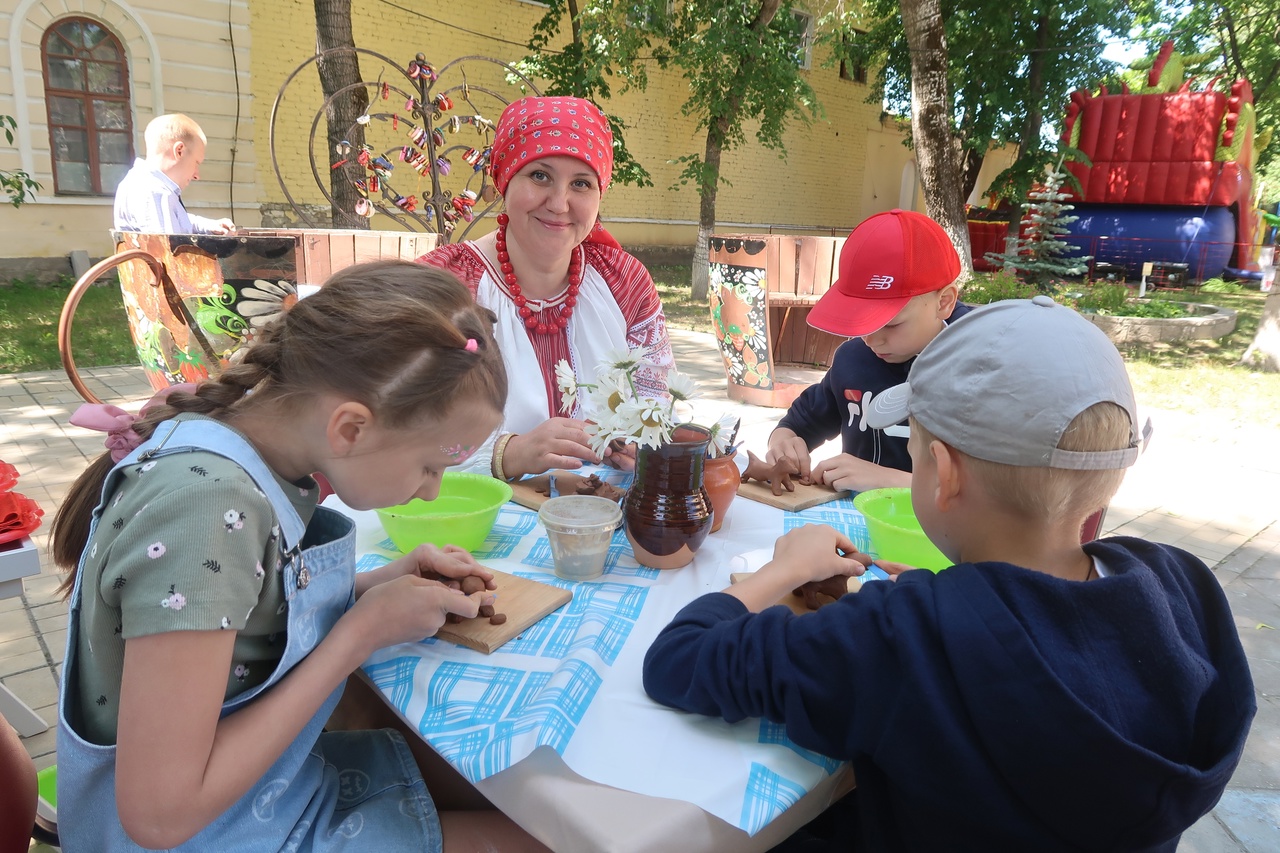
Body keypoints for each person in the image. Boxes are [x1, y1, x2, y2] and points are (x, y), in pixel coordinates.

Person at [643, 296, 1255, 851]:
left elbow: (678, 661)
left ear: (945, 473)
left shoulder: (904, 638)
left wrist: (783, 570)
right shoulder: (1179, 583)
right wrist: (944, 600)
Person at [50, 262, 549, 852]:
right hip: (211, 835)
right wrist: (354, 639)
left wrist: (370, 587)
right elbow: (160, 816)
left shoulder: (245, 455)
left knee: (507, 796)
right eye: (430, 465)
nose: (433, 490)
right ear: (351, 428)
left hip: (264, 793)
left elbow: (248, 609)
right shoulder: (207, 510)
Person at [419, 96, 673, 481]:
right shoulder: (446, 286)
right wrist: (506, 453)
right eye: (539, 175)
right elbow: (399, 427)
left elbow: (658, 402)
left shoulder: (624, 281)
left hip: (604, 517)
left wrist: (642, 439)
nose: (559, 203)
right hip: (474, 520)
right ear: (503, 180)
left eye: (581, 183)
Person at [766, 209, 970, 492]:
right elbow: (800, 422)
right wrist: (783, 442)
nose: (871, 339)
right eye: (861, 320)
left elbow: (998, 495)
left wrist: (896, 482)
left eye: (890, 324)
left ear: (944, 302)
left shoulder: (981, 368)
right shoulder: (854, 360)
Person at [113, 113, 236, 235]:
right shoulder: (153, 192)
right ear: (179, 151)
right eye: (196, 163)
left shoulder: (146, 183)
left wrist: (210, 226)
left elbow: (179, 221)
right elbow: (167, 251)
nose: (197, 175)